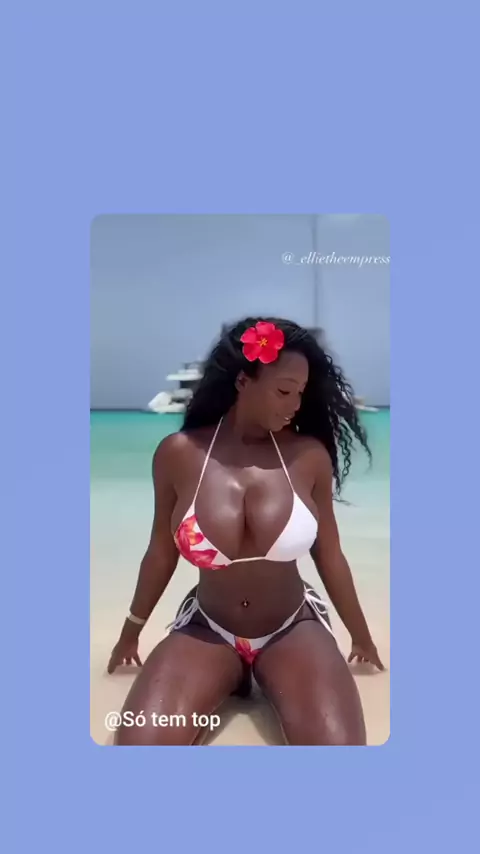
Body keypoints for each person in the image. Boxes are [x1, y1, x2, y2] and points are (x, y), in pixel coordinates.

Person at [107, 317, 385, 745]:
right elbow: (161, 552)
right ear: (242, 381)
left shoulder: (308, 457)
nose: (295, 404)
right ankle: (230, 675)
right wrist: (131, 632)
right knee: (138, 748)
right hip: (206, 628)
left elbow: (329, 555)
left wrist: (361, 637)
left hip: (292, 627)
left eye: (301, 392)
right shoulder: (179, 454)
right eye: (284, 391)